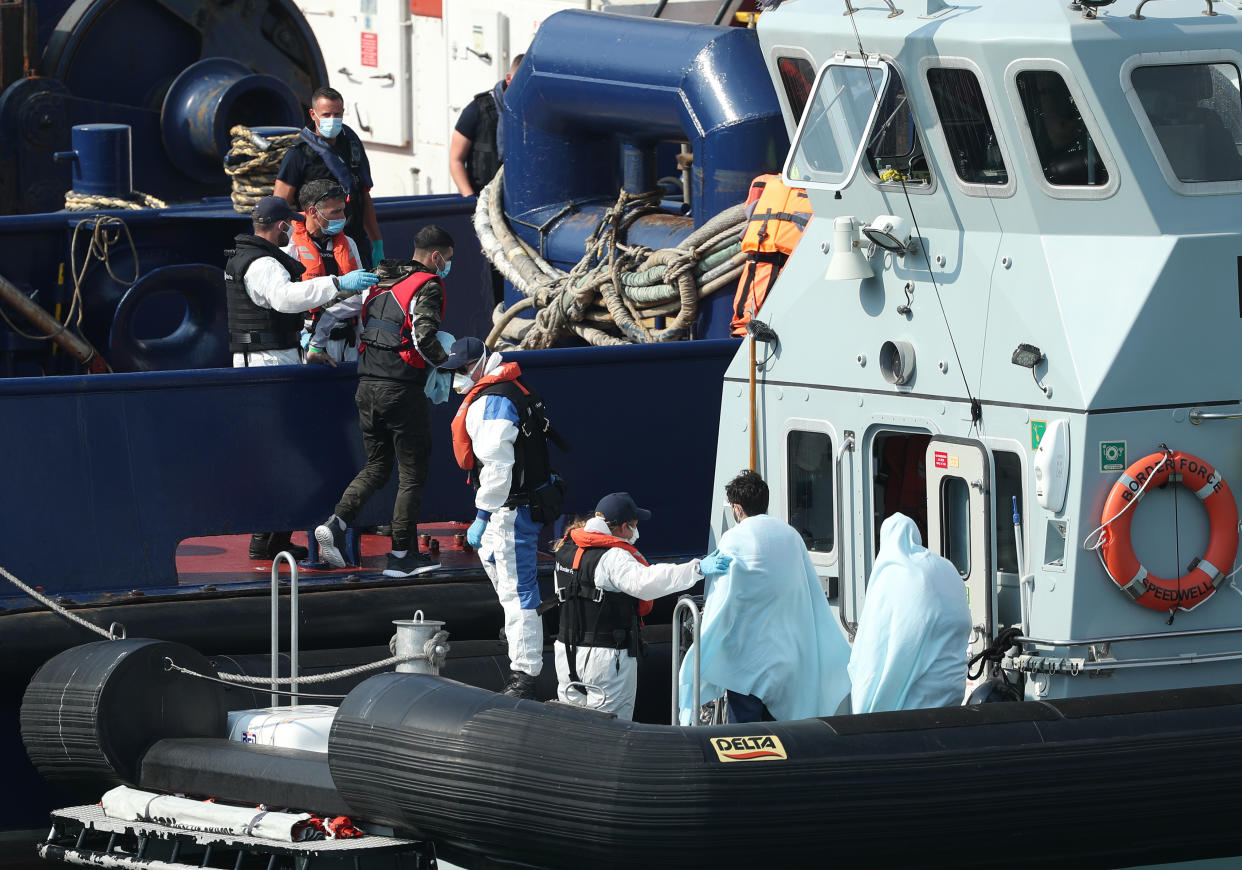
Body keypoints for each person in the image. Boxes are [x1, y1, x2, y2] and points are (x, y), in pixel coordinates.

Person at [224, 195, 377, 560]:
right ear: (281, 226)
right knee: (286, 454)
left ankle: (273, 536)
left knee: (285, 455)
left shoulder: (245, 257)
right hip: (267, 365)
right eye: (288, 225)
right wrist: (339, 284)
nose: (292, 230)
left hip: (271, 359)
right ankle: (267, 535)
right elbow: (286, 299)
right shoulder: (263, 264)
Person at [313, 226, 455, 577]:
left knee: (376, 467)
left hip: (366, 388)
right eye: (448, 260)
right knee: (411, 475)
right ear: (436, 257)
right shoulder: (429, 286)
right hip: (402, 390)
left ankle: (336, 522)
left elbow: (330, 313)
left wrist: (315, 347)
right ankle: (402, 555)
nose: (447, 267)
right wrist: (455, 365)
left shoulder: (376, 281)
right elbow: (423, 337)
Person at [678, 469, 852, 724]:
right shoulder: (791, 535)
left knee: (745, 738)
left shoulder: (734, 538)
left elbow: (721, 599)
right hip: (789, 655)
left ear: (737, 509)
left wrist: (704, 644)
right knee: (783, 733)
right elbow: (810, 590)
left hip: (747, 660)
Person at [445, 334, 565, 698]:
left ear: (480, 363)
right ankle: (519, 632)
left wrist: (483, 513)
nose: (458, 378)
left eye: (464, 369)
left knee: (517, 590)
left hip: (510, 509)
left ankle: (525, 675)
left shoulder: (492, 402)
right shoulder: (510, 388)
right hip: (516, 505)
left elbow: (498, 465)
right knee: (495, 563)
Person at [551, 493, 731, 720]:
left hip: (566, 653)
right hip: (606, 659)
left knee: (571, 724)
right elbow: (646, 582)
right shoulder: (613, 557)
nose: (636, 533)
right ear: (623, 527)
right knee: (611, 730)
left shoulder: (566, 549)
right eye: (634, 526)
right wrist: (697, 568)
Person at [848, 512, 972, 713]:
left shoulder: (893, 574)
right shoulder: (946, 567)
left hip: (912, 712)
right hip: (951, 697)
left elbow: (873, 645)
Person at [275, 86, 383, 268]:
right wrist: (278, 246)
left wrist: (377, 242)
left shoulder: (352, 144)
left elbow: (363, 195)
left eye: (337, 114)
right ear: (312, 114)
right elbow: (280, 203)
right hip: (315, 244)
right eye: (326, 115)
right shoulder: (298, 152)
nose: (332, 120)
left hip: (354, 240)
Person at [285, 179, 365, 363]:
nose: (342, 217)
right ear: (313, 211)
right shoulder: (290, 247)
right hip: (308, 341)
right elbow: (285, 298)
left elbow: (361, 295)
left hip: (348, 341)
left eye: (343, 210)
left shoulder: (349, 244)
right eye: (336, 212)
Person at [449, 54, 524, 197]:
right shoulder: (477, 109)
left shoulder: (538, 111)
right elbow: (455, 159)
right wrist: (470, 200)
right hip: (482, 199)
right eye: (519, 82)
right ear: (508, 79)